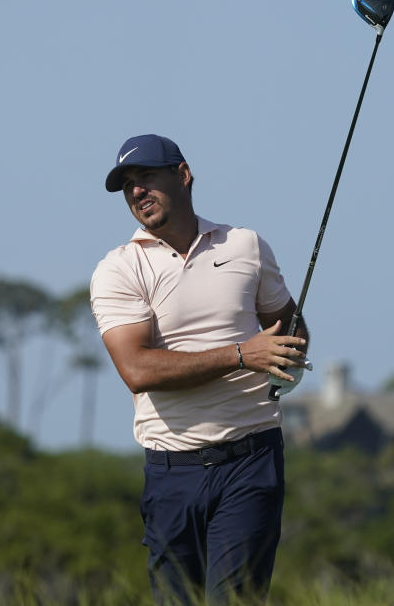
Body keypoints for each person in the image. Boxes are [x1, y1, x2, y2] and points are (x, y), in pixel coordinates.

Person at [89, 134, 311, 604]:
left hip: (251, 461)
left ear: (183, 174)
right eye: (127, 185)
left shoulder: (246, 245)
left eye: (146, 177)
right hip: (172, 471)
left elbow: (286, 322)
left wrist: (287, 351)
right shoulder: (118, 270)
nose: (136, 192)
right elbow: (137, 369)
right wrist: (240, 355)